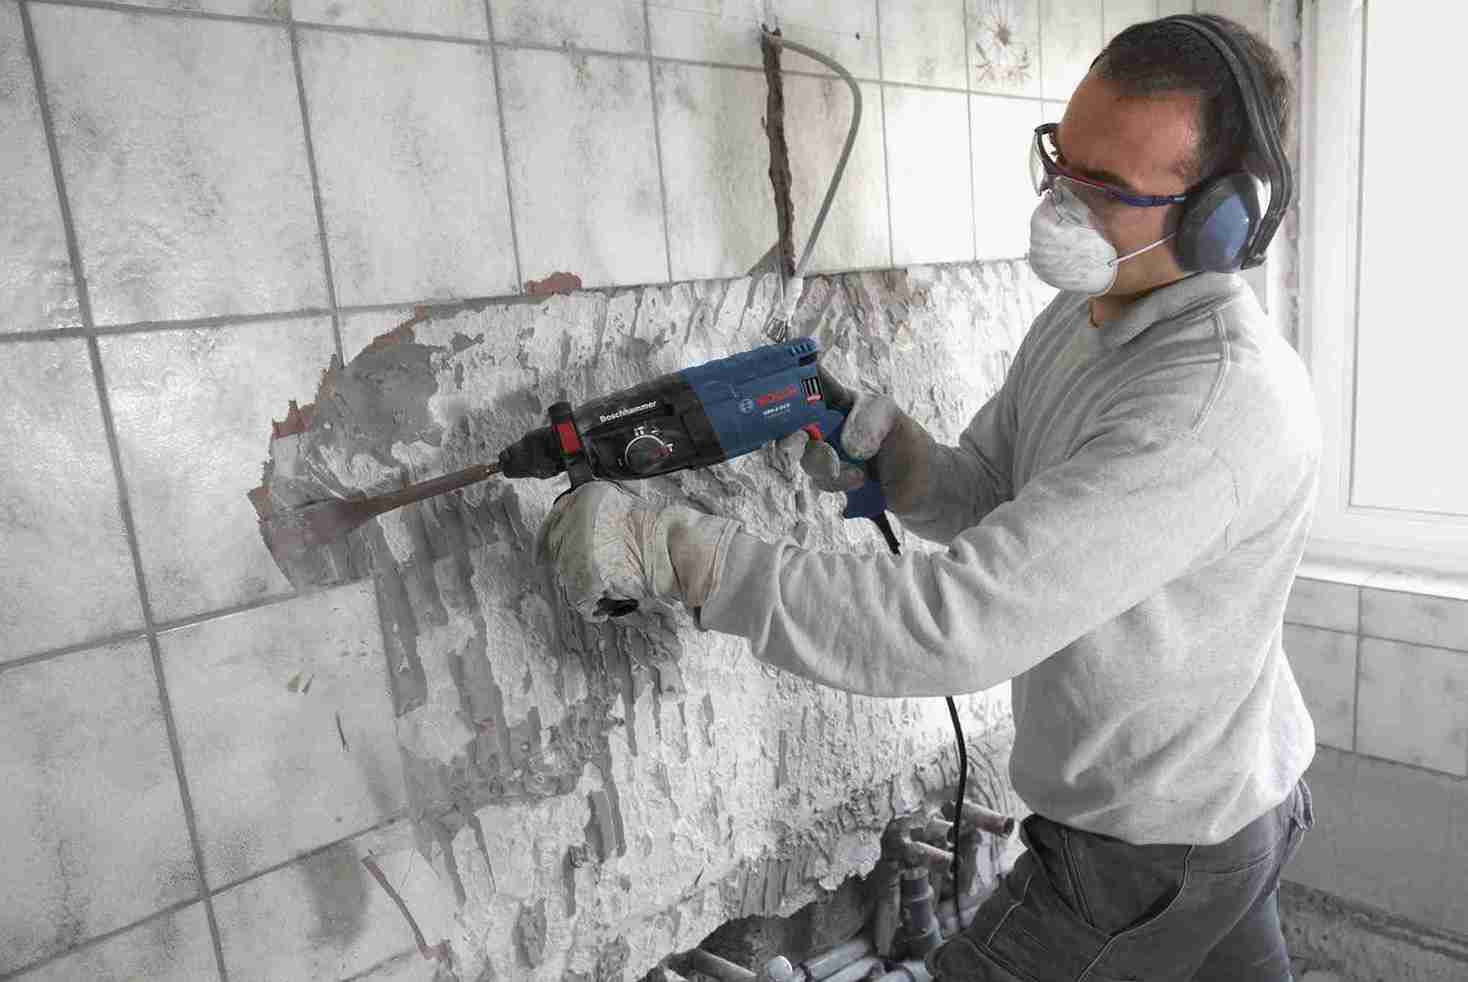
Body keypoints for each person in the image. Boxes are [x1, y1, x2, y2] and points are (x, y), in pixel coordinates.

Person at [539, 14, 1319, 981]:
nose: (1060, 207)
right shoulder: (1089, 316)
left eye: (1105, 189)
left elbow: (954, 627)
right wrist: (902, 460)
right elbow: (996, 490)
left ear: (1220, 220)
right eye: (1059, 163)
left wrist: (682, 555)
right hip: (1226, 797)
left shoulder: (1205, 406)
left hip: (1153, 853)